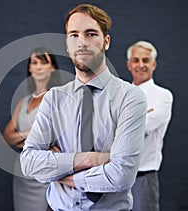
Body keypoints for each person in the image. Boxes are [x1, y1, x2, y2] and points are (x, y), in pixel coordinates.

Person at [20, 4, 147, 211]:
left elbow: (122, 175)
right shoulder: (54, 98)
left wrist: (63, 171)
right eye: (74, 35)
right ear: (67, 44)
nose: (82, 43)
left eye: (90, 34)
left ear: (106, 42)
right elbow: (29, 162)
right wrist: (91, 159)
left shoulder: (130, 98)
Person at [3, 47, 62, 211]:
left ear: (52, 68)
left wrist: (22, 139)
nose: (38, 66)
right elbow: (7, 136)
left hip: (44, 170)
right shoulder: (23, 101)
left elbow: (54, 137)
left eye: (43, 62)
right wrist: (32, 135)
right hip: (21, 171)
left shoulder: (56, 99)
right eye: (34, 62)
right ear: (29, 68)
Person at [126, 41, 173, 211]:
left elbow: (144, 128)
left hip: (143, 179)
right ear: (129, 65)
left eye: (145, 60)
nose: (141, 65)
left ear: (154, 64)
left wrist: (122, 121)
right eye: (136, 60)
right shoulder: (119, 95)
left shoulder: (163, 96)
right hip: (116, 178)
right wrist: (140, 116)